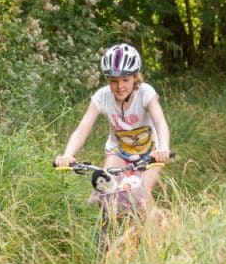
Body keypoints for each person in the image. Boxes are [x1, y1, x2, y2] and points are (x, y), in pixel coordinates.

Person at [55, 43, 172, 213]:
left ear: (135, 78)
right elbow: (82, 130)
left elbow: (160, 122)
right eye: (114, 81)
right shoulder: (102, 97)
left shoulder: (146, 93)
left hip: (150, 154)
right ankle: (112, 236)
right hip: (118, 152)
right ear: (107, 80)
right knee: (108, 192)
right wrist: (67, 155)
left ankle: (156, 234)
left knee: (141, 194)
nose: (120, 86)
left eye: (125, 80)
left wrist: (163, 149)